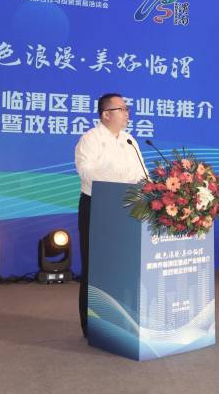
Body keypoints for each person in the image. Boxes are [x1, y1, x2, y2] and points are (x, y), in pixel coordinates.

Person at [74, 93, 147, 338]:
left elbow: (142, 174)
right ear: (106, 114)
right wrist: (118, 174)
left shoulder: (129, 140)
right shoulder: (90, 139)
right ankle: (91, 326)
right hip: (97, 206)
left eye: (127, 109)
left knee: (122, 265)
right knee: (95, 266)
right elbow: (87, 173)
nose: (127, 114)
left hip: (127, 208)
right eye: (122, 109)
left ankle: (121, 321)